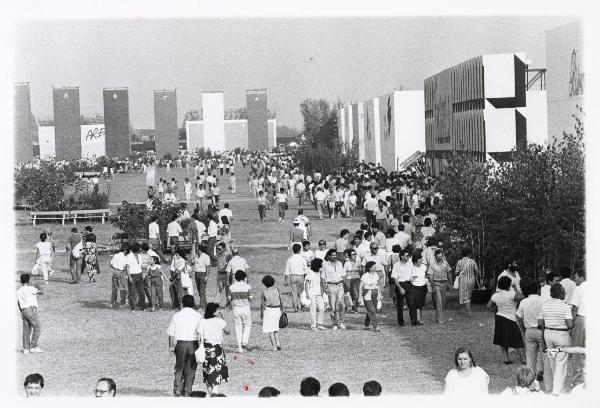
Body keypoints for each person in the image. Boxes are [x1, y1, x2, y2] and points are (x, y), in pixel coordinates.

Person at [538, 283, 574, 395]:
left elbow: (540, 323)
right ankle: (557, 392)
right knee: (561, 364)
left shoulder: (545, 305)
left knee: (553, 362)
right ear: (562, 293)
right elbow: (570, 325)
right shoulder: (565, 306)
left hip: (548, 334)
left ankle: (557, 388)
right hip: (562, 335)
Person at [167, 294, 202, 397]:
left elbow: (171, 333)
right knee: (191, 369)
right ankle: (187, 391)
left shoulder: (177, 315)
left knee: (179, 368)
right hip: (194, 344)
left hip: (180, 344)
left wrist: (170, 347)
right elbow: (201, 333)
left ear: (182, 304)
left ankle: (177, 390)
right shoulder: (198, 316)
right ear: (193, 304)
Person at [487, 276, 525, 364]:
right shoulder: (511, 294)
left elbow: (488, 306)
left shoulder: (495, 295)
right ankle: (523, 359)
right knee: (517, 339)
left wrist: (495, 311)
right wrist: (515, 288)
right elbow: (522, 297)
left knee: (502, 338)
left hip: (499, 317)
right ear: (508, 286)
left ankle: (506, 358)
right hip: (510, 318)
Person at [515, 277, 546, 381]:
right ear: (538, 289)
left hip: (529, 330)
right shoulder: (543, 301)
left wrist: (523, 328)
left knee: (530, 355)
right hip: (542, 330)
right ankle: (541, 370)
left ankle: (530, 375)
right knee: (543, 352)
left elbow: (518, 317)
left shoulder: (524, 302)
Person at [197, 302, 230, 395]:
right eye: (218, 309)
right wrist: (223, 319)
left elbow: (199, 338)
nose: (219, 311)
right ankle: (215, 391)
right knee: (218, 371)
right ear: (214, 311)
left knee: (207, 371)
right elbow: (228, 331)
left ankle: (210, 391)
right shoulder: (220, 321)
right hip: (218, 349)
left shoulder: (203, 321)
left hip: (207, 349)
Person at [17, 274, 44, 354]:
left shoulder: (19, 290)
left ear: (20, 280)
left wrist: (22, 311)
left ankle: (26, 348)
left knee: (26, 330)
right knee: (37, 327)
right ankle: (33, 346)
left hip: (23, 310)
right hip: (31, 309)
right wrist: (36, 285)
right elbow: (41, 291)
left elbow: (18, 302)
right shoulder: (31, 288)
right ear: (28, 280)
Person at [568, 269, 586, 387]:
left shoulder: (579, 289)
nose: (574, 279)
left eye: (575, 276)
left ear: (581, 277)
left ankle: (577, 379)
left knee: (577, 350)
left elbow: (574, 308)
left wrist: (570, 324)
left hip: (581, 319)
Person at [321, 249, 347, 330]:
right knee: (332, 306)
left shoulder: (339, 263)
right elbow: (322, 277)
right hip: (331, 286)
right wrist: (324, 288)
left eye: (335, 255)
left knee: (342, 304)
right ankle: (334, 323)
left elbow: (343, 275)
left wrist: (345, 284)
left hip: (340, 285)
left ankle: (341, 322)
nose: (334, 256)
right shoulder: (325, 265)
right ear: (329, 256)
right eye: (332, 255)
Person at [229, 270, 253, 353]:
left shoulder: (231, 287)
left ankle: (239, 348)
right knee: (247, 325)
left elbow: (229, 299)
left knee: (238, 328)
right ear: (244, 277)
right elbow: (251, 298)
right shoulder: (248, 286)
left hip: (236, 308)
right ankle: (244, 342)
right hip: (245, 307)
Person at [455, 247, 481, 318]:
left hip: (463, 281)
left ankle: (469, 313)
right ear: (469, 254)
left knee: (465, 296)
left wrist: (460, 273)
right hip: (472, 280)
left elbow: (456, 273)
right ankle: (460, 310)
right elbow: (477, 271)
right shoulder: (472, 261)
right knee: (468, 295)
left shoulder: (459, 262)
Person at [427, 248, 451, 323]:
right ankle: (440, 320)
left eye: (441, 256)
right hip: (436, 284)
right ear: (435, 257)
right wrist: (433, 285)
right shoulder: (432, 264)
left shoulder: (445, 263)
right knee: (439, 301)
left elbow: (449, 272)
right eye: (438, 257)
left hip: (444, 284)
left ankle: (438, 318)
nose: (439, 258)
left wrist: (450, 283)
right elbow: (430, 276)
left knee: (442, 302)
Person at [260, 275, 283, 351]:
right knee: (276, 328)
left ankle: (274, 347)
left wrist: (261, 313)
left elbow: (262, 304)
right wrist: (282, 310)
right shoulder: (277, 290)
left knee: (270, 329)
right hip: (277, 309)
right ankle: (278, 343)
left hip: (269, 310)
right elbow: (281, 301)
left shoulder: (264, 292)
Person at [284, 243, 308, 312]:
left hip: (293, 276)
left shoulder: (289, 259)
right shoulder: (302, 259)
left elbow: (287, 271)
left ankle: (295, 308)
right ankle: (299, 306)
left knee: (294, 293)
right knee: (299, 293)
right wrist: (304, 278)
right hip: (301, 277)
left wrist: (286, 280)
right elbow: (305, 270)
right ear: (299, 250)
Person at [391, 249, 412, 326]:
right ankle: (401, 322)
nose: (408, 257)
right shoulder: (396, 265)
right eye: (407, 256)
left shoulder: (410, 264)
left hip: (409, 284)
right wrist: (400, 288)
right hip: (400, 284)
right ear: (402, 256)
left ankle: (413, 320)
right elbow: (395, 278)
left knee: (411, 303)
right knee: (400, 305)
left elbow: (412, 273)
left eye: (409, 255)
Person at [407, 250, 428, 326]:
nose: (421, 262)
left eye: (421, 261)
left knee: (421, 304)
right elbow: (408, 277)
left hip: (422, 286)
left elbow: (425, 276)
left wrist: (427, 282)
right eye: (419, 261)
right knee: (415, 304)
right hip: (414, 287)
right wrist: (411, 278)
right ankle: (417, 319)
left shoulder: (423, 267)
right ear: (415, 262)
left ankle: (419, 318)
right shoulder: (411, 267)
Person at [359, 261, 381, 331]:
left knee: (371, 309)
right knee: (372, 310)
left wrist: (380, 294)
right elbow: (360, 286)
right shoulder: (365, 275)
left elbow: (378, 285)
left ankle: (366, 325)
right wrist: (360, 297)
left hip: (375, 292)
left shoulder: (376, 275)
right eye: (374, 266)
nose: (375, 268)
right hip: (367, 292)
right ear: (370, 268)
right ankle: (376, 326)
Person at [305, 258, 326, 330]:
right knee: (313, 309)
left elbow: (320, 283)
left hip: (319, 293)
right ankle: (313, 325)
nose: (322, 267)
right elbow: (307, 283)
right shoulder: (310, 273)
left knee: (322, 308)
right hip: (311, 293)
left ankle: (320, 324)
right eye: (321, 265)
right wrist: (307, 293)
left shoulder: (319, 273)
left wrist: (322, 291)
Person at [125, 243, 145, 311]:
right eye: (139, 248)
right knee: (132, 293)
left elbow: (140, 266)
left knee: (142, 292)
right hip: (132, 275)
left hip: (139, 275)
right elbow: (127, 267)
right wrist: (129, 277)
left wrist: (143, 274)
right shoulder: (129, 256)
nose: (140, 250)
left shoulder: (139, 256)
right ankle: (133, 308)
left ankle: (143, 307)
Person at [343, 248, 362, 313]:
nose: (355, 255)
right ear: (349, 256)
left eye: (355, 254)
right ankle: (351, 307)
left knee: (356, 293)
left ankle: (355, 308)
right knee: (351, 294)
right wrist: (345, 281)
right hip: (349, 279)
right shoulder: (346, 263)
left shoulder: (358, 262)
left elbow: (361, 271)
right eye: (353, 254)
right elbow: (344, 273)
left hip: (357, 279)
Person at [215, 243, 232, 308]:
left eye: (219, 249)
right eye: (217, 249)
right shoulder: (218, 255)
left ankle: (228, 304)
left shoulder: (228, 256)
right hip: (219, 274)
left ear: (224, 249)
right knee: (219, 290)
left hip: (226, 275)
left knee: (227, 291)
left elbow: (230, 265)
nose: (218, 250)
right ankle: (217, 304)